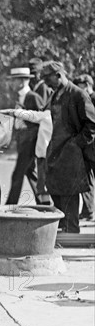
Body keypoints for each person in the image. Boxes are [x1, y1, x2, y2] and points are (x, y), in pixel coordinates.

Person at [41, 61, 95, 232]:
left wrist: (75, 145)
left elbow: (92, 125)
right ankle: (64, 230)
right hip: (56, 151)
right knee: (56, 191)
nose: (46, 83)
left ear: (58, 75)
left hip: (72, 155)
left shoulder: (78, 95)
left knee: (70, 194)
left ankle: (72, 233)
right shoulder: (56, 94)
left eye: (48, 78)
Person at [4, 67, 45, 205]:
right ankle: (44, 203)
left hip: (31, 142)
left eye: (14, 81)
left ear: (22, 81)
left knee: (17, 174)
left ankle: (10, 206)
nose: (12, 84)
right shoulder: (17, 97)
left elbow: (43, 120)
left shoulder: (33, 97)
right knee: (30, 172)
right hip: (22, 141)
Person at [75, 73, 95, 221]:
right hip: (88, 147)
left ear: (87, 85)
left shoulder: (91, 99)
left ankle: (88, 211)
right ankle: (88, 211)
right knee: (87, 178)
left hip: (91, 145)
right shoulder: (86, 99)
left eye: (81, 88)